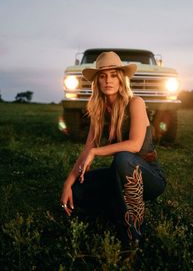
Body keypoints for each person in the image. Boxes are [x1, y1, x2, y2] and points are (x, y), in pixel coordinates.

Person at [60, 51, 166, 244]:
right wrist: (68, 183)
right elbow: (87, 150)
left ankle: (134, 230)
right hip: (118, 174)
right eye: (102, 76)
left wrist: (96, 151)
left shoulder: (136, 103)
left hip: (150, 177)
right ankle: (115, 206)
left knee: (123, 158)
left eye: (113, 75)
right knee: (77, 191)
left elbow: (134, 145)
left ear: (121, 79)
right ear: (97, 82)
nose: (108, 80)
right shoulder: (98, 111)